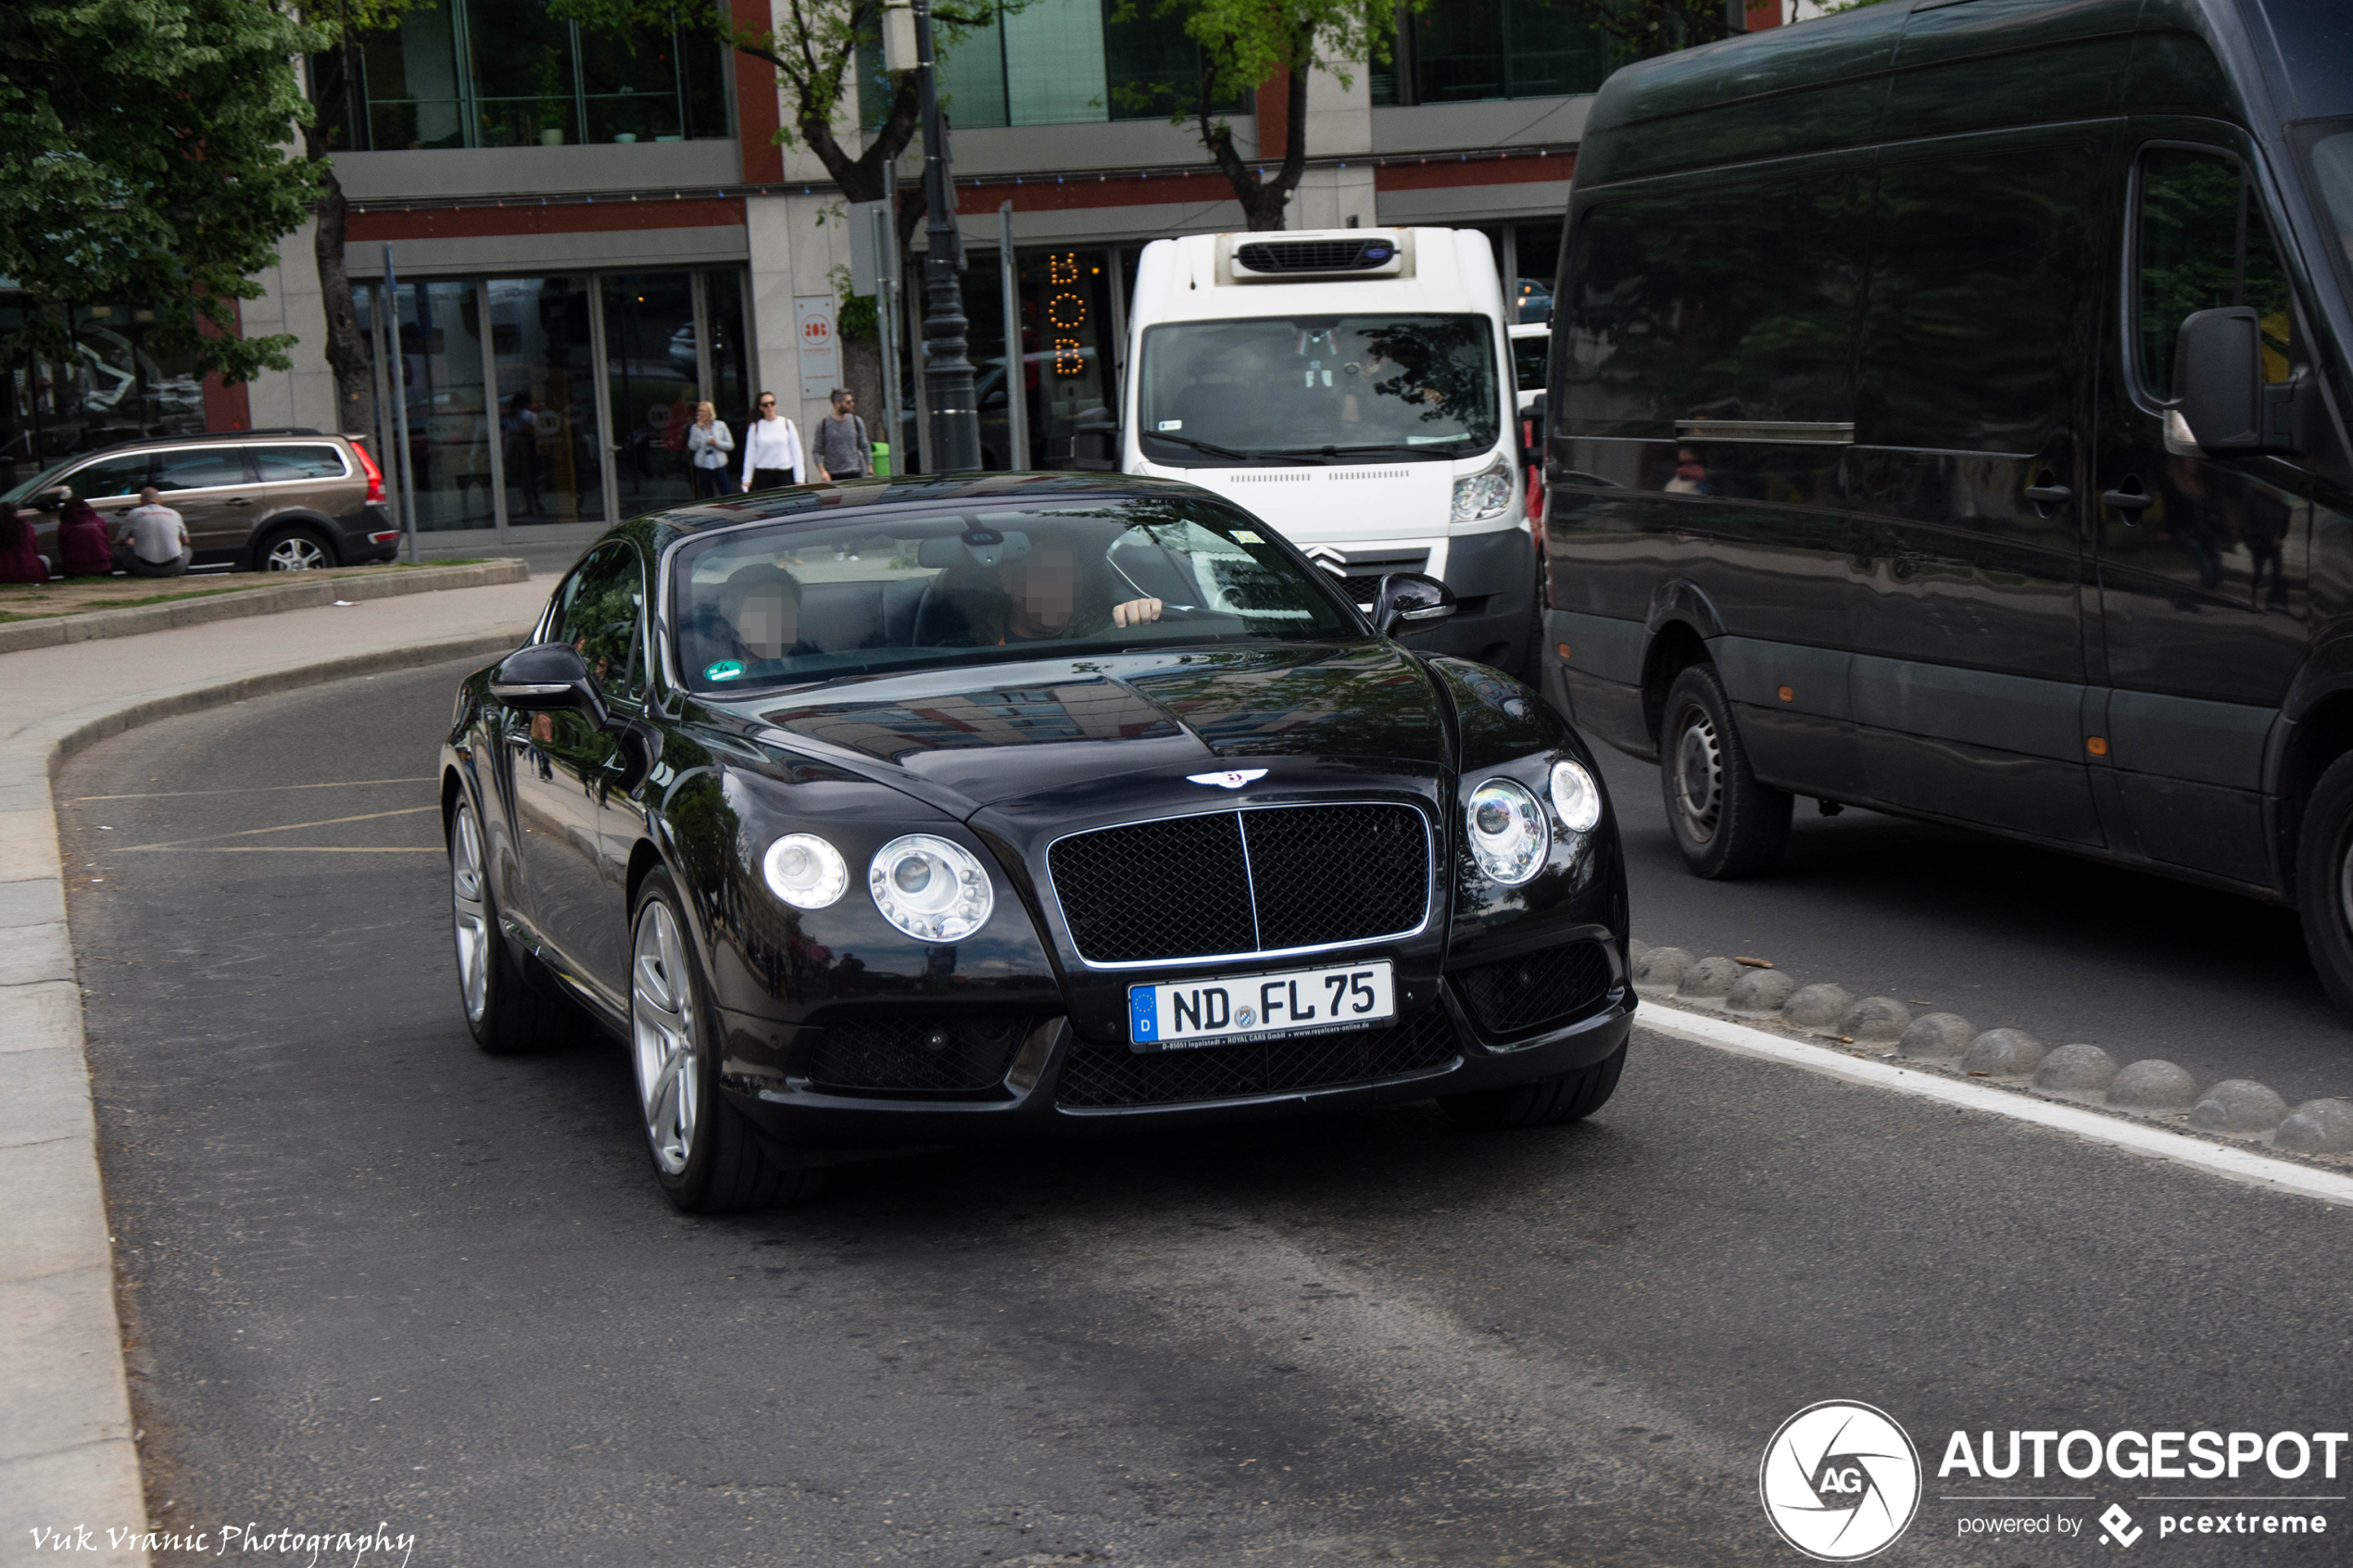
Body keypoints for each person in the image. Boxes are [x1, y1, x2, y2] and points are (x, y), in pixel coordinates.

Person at [113, 488, 192, 577]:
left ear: (141, 502)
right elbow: (185, 540)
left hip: (143, 569)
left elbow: (119, 541)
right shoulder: (174, 513)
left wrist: (131, 542)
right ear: (161, 501)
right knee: (186, 549)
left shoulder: (134, 514)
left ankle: (132, 573)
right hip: (174, 568)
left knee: (118, 550)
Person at [739, 392, 805, 492]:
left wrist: (800, 479)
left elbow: (796, 453)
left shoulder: (787, 423)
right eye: (765, 405)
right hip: (763, 475)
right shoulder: (755, 427)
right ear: (761, 408)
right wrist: (746, 480)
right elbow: (750, 455)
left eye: (772, 403)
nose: (769, 406)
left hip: (784, 474)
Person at [812, 388, 871, 482]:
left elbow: (865, 446)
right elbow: (817, 451)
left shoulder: (856, 421)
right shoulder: (824, 424)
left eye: (852, 401)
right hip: (832, 475)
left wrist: (870, 471)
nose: (852, 404)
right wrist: (822, 471)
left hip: (854, 472)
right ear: (837, 403)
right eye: (848, 402)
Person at [685, 401, 734, 499]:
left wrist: (717, 443)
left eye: (703, 411)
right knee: (708, 494)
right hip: (703, 463)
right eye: (699, 411)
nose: (700, 414)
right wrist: (698, 430)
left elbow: (730, 445)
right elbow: (692, 446)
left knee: (726, 492)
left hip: (719, 463)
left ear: (710, 412)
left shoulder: (721, 425)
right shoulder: (695, 427)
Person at [55, 497, 112, 577]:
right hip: (102, 566)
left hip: (76, 568)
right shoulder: (99, 521)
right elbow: (106, 543)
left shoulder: (65, 525)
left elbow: (62, 549)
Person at [0, 503, 49, 584]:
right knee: (45, 559)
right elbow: (34, 549)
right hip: (28, 572)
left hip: (3, 574)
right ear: (15, 514)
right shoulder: (26, 528)